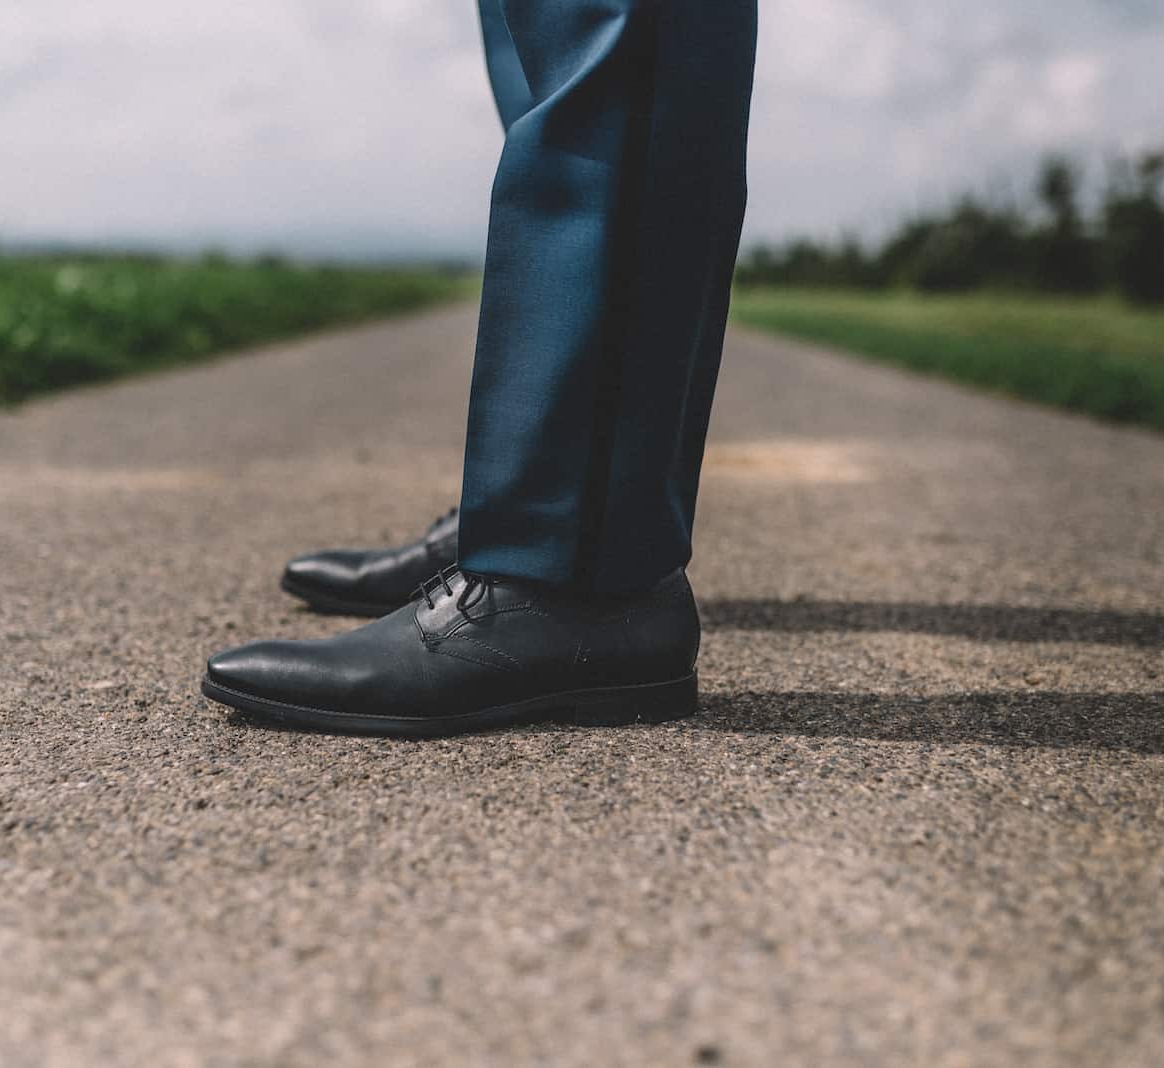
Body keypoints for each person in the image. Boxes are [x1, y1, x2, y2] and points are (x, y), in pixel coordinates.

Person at [202, 0, 757, 736]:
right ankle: (531, 515)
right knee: (544, 37)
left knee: (620, 32)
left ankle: (576, 570)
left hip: (583, 563)